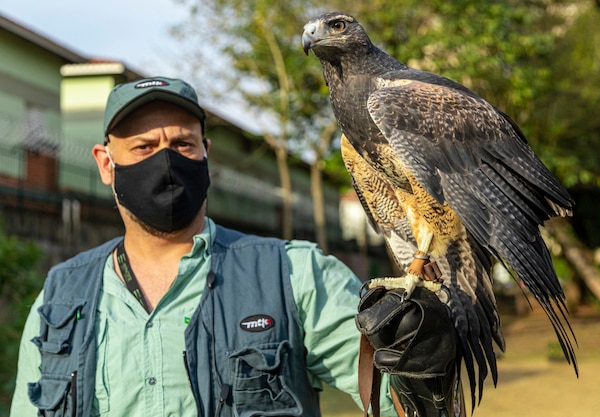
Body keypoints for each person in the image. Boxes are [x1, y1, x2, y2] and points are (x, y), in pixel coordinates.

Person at [9, 77, 462, 417]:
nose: (165, 161)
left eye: (182, 144)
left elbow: (397, 402)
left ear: (205, 153)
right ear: (106, 164)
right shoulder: (61, 295)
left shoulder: (295, 274)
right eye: (144, 147)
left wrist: (421, 360)